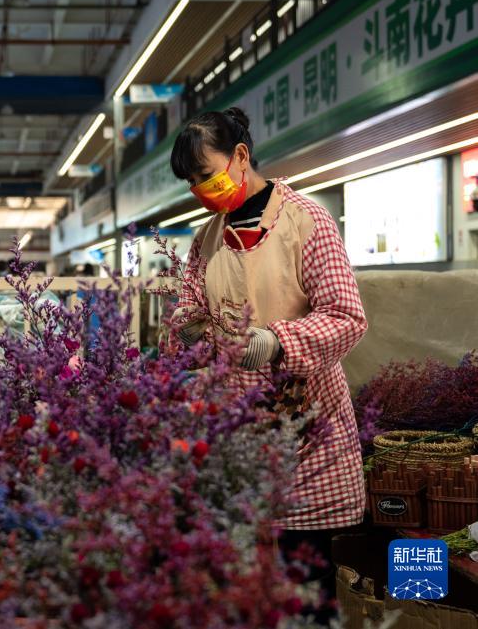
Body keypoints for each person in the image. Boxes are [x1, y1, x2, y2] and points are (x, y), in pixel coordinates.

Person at [168, 107, 367, 620]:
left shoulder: (306, 221)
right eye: (191, 182)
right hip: (238, 438)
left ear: (240, 155)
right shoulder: (206, 239)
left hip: (308, 435)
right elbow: (189, 316)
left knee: (304, 584)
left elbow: (346, 317)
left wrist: (277, 342)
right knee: (245, 588)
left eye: (205, 174)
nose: (200, 189)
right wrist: (191, 336)